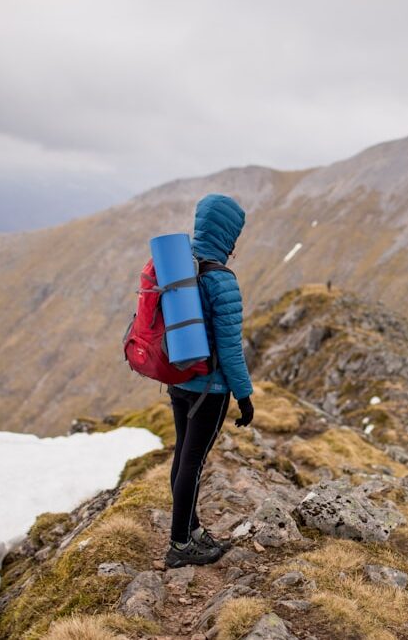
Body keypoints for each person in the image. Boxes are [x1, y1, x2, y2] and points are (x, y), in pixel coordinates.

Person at [164, 194, 255, 568]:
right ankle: (181, 545)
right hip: (210, 389)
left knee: (183, 456)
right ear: (227, 235)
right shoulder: (221, 280)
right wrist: (244, 396)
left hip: (179, 380)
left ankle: (192, 529)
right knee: (193, 464)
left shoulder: (179, 269)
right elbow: (231, 350)